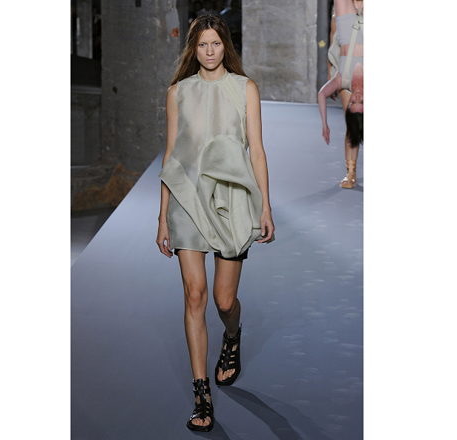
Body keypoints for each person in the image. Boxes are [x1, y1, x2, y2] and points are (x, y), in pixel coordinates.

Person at [156, 14, 275, 432]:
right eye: (202, 44)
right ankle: (201, 394)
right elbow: (171, 154)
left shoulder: (245, 88)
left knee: (224, 302)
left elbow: (256, 150)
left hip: (231, 199)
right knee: (195, 296)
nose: (209, 51)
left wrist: (265, 207)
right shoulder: (178, 92)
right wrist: (162, 216)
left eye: (216, 44)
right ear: (193, 48)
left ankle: (232, 334)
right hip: (187, 199)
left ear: (226, 46)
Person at [317, 0, 363, 189]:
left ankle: (350, 172)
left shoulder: (344, 82)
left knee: (352, 127)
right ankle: (350, 171)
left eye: (354, 102)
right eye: (361, 101)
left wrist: (324, 124)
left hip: (346, 28)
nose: (357, 97)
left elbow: (321, 94)